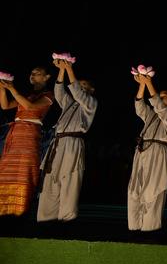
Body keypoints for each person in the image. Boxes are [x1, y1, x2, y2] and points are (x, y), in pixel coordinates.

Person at [37, 56, 98, 222]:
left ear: (91, 90)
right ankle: (46, 216)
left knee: (69, 177)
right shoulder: (69, 103)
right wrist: (62, 70)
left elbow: (77, 91)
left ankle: (67, 217)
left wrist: (69, 68)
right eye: (80, 84)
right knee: (51, 176)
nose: (80, 87)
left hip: (73, 142)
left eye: (84, 85)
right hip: (58, 142)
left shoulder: (91, 103)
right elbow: (59, 92)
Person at [127, 71, 167, 231]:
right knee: (136, 186)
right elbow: (139, 106)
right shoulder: (152, 114)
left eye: (164, 97)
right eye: (160, 97)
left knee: (154, 187)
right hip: (142, 150)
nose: (161, 99)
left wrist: (149, 83)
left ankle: (150, 227)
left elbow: (160, 107)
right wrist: (142, 84)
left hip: (158, 151)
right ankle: (134, 225)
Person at [0, 66, 53, 216]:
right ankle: (5, 207)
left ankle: (22, 208)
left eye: (38, 73)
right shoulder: (27, 95)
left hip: (29, 134)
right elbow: (5, 106)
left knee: (24, 170)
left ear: (47, 77)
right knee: (7, 169)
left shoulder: (49, 95)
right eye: (32, 72)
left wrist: (11, 88)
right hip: (16, 133)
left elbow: (30, 106)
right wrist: (2, 88)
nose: (33, 75)